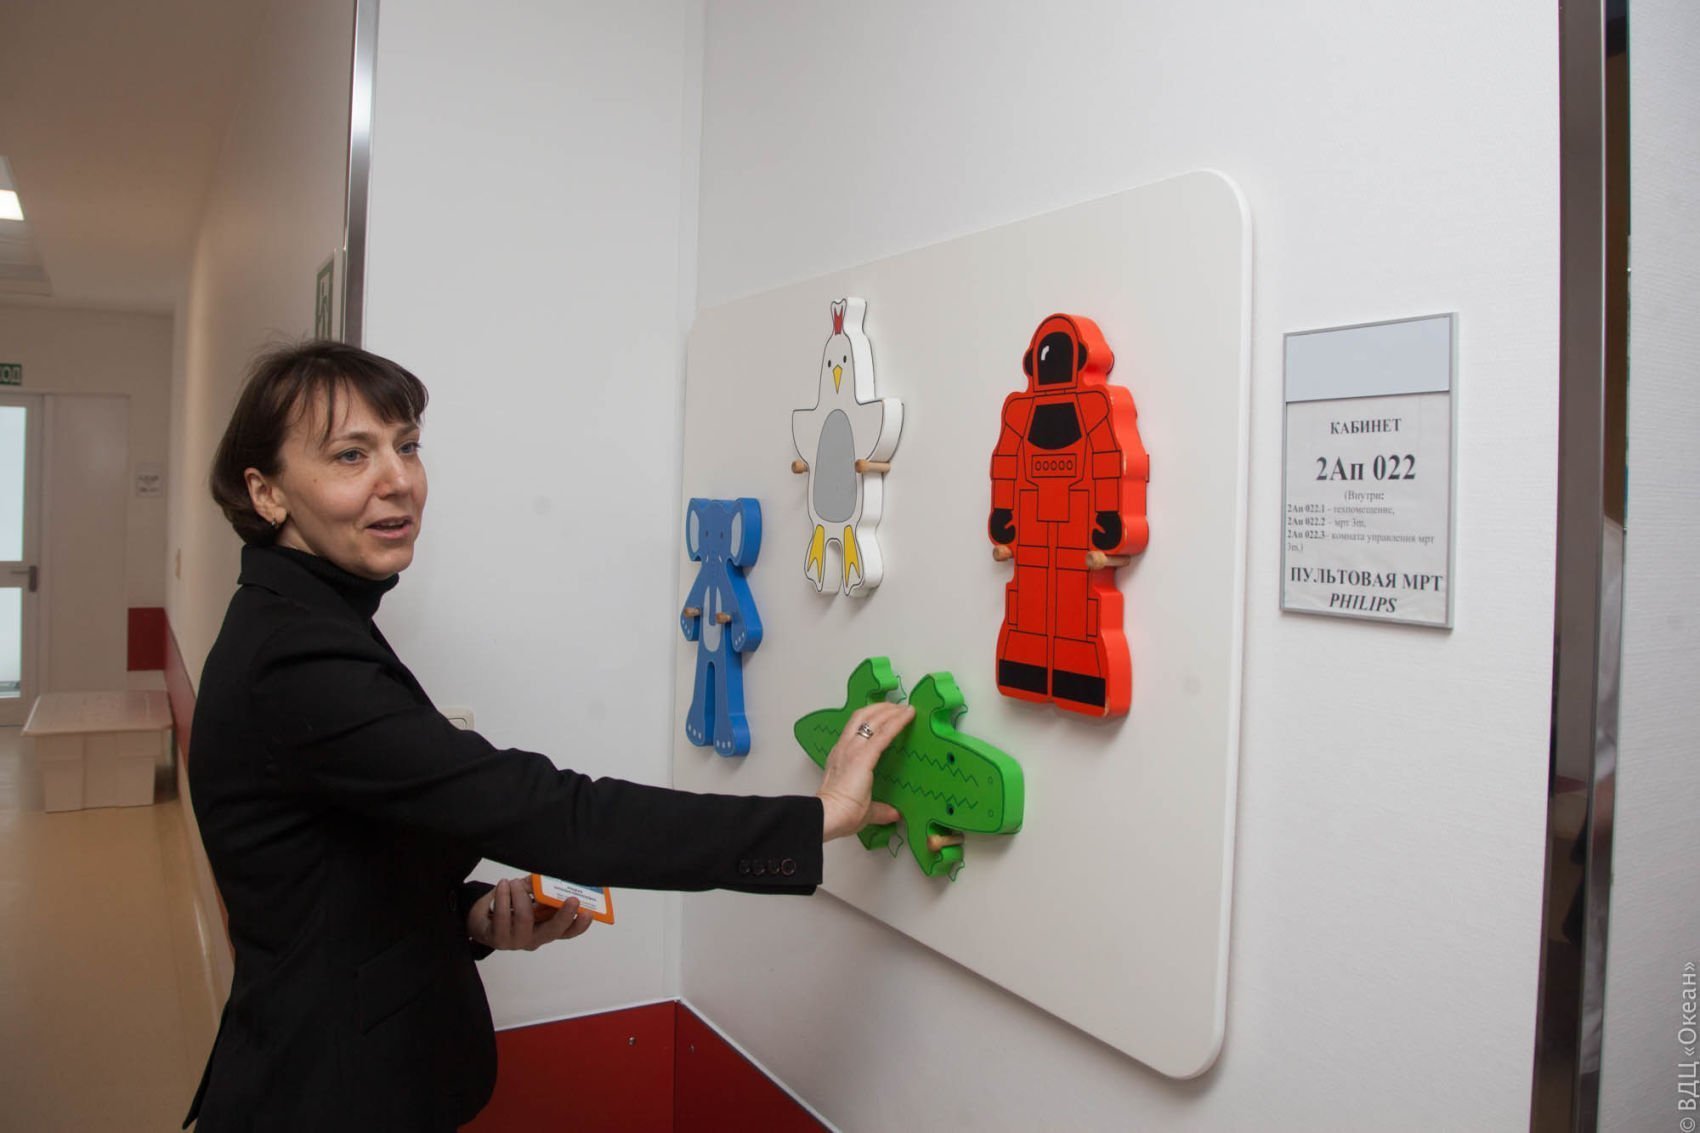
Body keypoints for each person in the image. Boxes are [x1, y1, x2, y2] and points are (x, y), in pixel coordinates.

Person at [183, 341, 911, 1131]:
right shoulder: (293, 657)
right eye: (351, 455)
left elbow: (328, 872)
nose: (399, 479)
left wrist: (465, 915)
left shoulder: (307, 618)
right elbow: (550, 812)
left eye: (408, 445)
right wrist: (818, 816)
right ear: (266, 492)